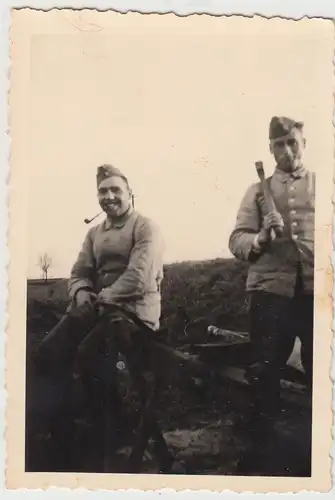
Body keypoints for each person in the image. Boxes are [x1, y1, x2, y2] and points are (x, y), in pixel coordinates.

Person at [34, 164, 167, 472]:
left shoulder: (145, 228)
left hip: (133, 314)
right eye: (103, 191)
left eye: (115, 190)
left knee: (87, 357)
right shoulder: (94, 233)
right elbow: (79, 272)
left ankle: (112, 434)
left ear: (130, 194)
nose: (109, 197)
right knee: (47, 353)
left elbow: (139, 277)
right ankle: (64, 436)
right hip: (98, 310)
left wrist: (102, 297)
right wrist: (80, 293)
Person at [228, 116, 315, 455]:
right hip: (269, 295)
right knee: (264, 373)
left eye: (292, 142)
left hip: (315, 293)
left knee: (322, 369)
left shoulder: (323, 186)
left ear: (304, 144)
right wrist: (261, 237)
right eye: (279, 144)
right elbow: (237, 241)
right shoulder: (256, 193)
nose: (287, 150)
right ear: (270, 149)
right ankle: (263, 451)